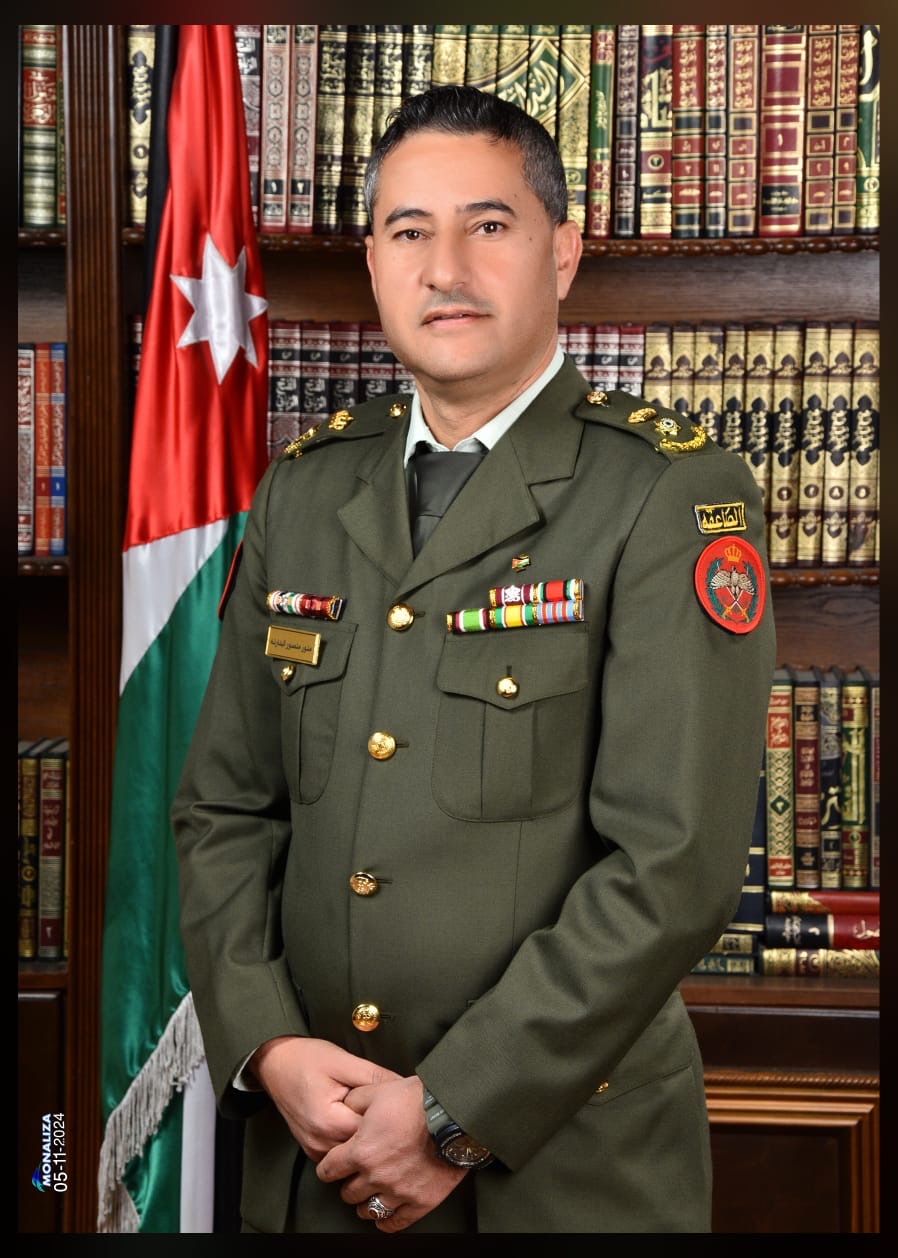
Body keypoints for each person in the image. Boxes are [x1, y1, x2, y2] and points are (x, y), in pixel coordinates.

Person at [172, 85, 776, 1234]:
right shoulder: (305, 488)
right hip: (319, 1149)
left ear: (562, 252)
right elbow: (225, 809)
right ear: (372, 263)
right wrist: (268, 1043)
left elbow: (672, 865)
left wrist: (451, 1112)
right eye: (409, 231)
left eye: (487, 224)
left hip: (560, 1172)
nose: (444, 267)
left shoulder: (664, 493)